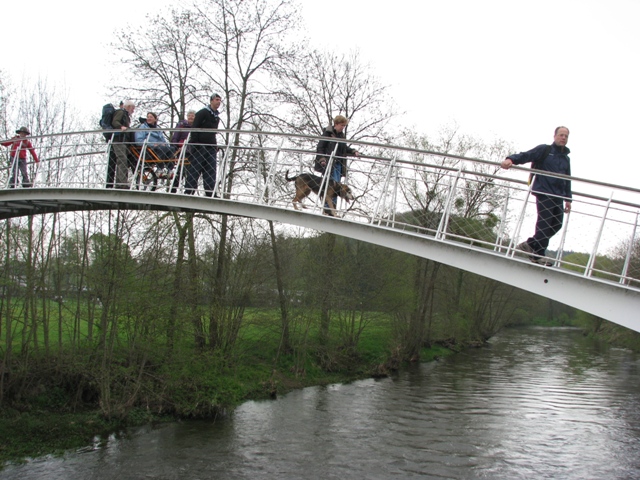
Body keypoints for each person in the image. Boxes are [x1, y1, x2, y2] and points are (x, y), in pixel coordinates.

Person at [501, 126, 572, 265]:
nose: (563, 138)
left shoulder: (566, 159)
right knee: (544, 223)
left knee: (557, 224)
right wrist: (511, 159)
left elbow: (567, 179)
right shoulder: (544, 150)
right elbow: (527, 155)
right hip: (544, 191)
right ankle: (538, 254)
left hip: (558, 194)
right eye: (561, 135)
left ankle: (531, 244)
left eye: (566, 136)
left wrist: (568, 199)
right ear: (555, 136)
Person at [315, 115, 360, 212]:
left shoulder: (341, 136)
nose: (343, 127)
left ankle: (331, 209)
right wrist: (322, 159)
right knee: (332, 187)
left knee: (337, 188)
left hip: (339, 164)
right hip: (330, 164)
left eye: (344, 126)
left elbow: (344, 148)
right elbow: (320, 147)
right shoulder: (327, 133)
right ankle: (328, 209)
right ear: (336, 124)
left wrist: (353, 151)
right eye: (342, 125)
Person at [185, 94, 221, 196]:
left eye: (220, 100)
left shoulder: (216, 117)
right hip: (200, 145)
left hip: (211, 147)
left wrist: (215, 146)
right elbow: (194, 128)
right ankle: (189, 191)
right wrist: (195, 144)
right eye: (216, 100)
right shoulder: (202, 113)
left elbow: (213, 133)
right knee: (195, 168)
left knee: (211, 170)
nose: (218, 102)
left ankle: (210, 193)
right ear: (211, 101)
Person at [109, 100, 136, 189]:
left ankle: (121, 182)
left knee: (124, 161)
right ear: (128, 107)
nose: (133, 111)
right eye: (133, 108)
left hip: (124, 142)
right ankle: (121, 184)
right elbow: (115, 122)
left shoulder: (126, 116)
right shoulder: (120, 112)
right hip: (119, 141)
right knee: (122, 160)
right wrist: (121, 127)